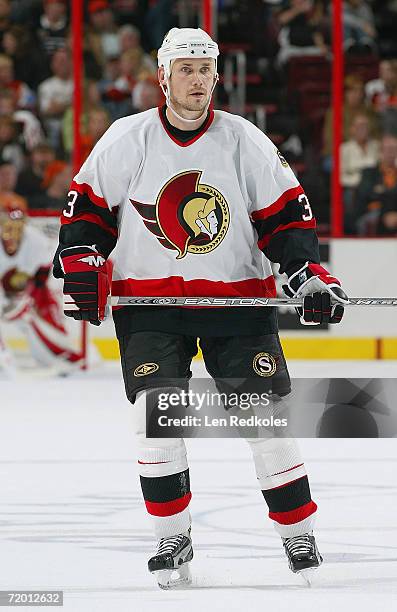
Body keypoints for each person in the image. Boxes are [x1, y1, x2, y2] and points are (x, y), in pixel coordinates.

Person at [52, 27, 348, 589]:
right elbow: (85, 214)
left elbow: (286, 219)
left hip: (234, 303)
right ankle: (174, 533)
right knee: (156, 421)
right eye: (184, 69)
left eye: (204, 69)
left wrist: (307, 273)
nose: (196, 79)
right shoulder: (126, 138)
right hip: (152, 306)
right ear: (163, 77)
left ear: (217, 77)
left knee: (260, 419)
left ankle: (297, 533)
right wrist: (83, 260)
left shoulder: (244, 140)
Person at [0, 186, 81, 375]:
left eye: (17, 225)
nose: (11, 232)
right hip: (6, 294)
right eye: (6, 225)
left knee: (42, 314)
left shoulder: (34, 240)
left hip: (27, 290)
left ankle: (57, 354)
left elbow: (45, 266)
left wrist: (33, 290)